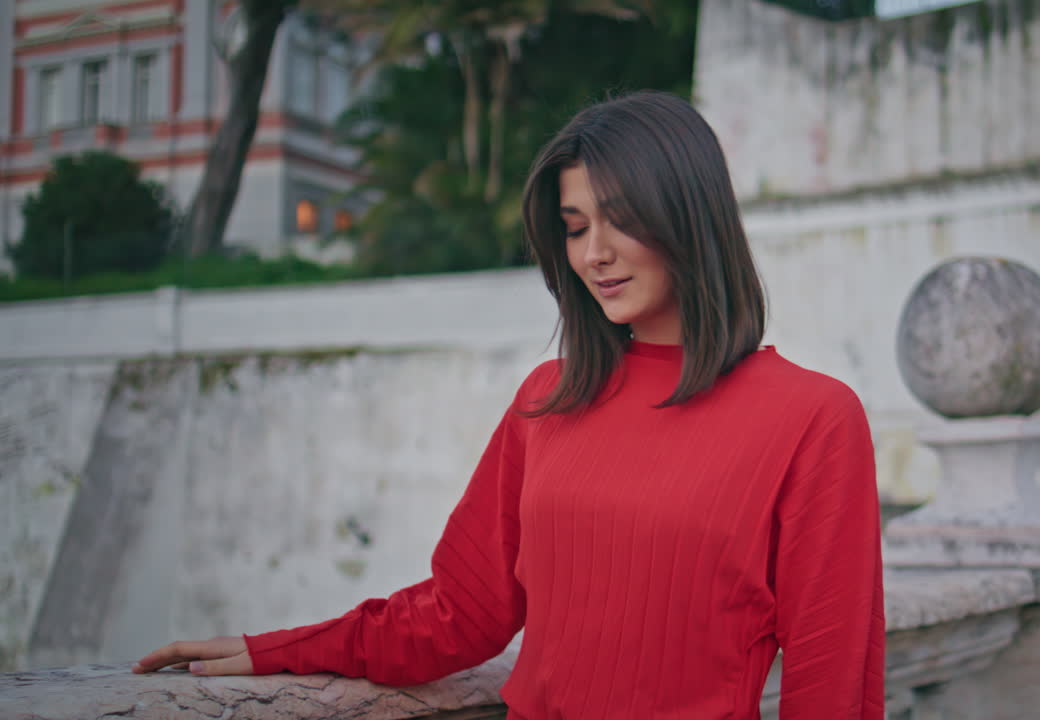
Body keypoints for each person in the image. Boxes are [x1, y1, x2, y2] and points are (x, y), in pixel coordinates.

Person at [133, 91, 885, 718]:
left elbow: (834, 690)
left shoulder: (813, 419)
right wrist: (272, 651)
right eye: (574, 228)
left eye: (619, 218)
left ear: (689, 215)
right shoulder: (549, 399)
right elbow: (460, 613)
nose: (593, 254)